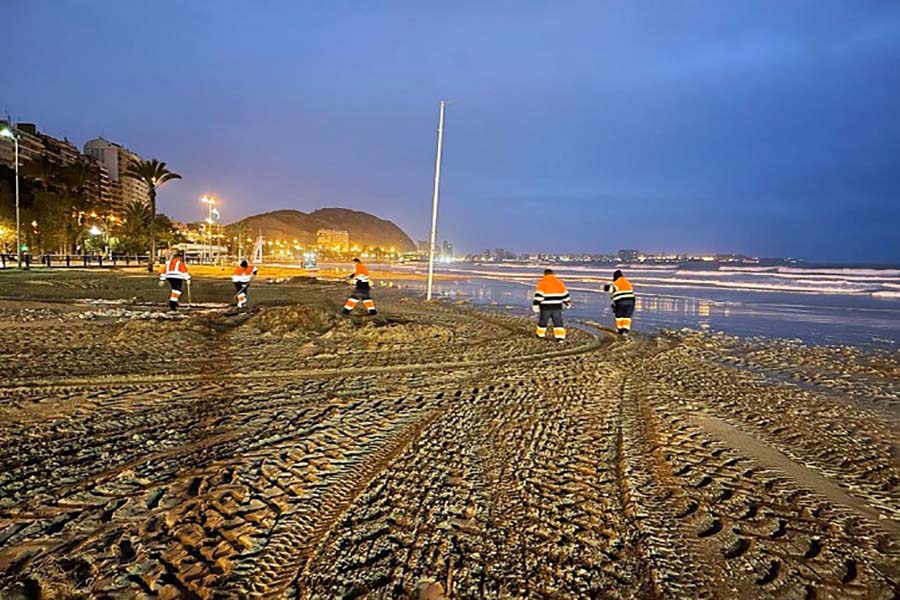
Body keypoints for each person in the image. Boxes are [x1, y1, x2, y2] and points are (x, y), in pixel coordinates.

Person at [532, 268, 571, 342]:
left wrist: (535, 306)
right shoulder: (559, 282)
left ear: (544, 274)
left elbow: (538, 296)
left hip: (545, 307)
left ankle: (540, 335)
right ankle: (560, 337)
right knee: (558, 321)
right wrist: (567, 303)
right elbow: (565, 294)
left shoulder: (542, 282)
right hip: (557, 306)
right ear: (553, 274)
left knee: (543, 321)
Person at [602, 269, 635, 334]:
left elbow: (611, 289)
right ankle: (625, 330)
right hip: (631, 301)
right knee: (627, 317)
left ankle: (620, 330)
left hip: (620, 301)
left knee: (619, 316)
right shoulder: (627, 283)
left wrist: (605, 287)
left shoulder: (617, 283)